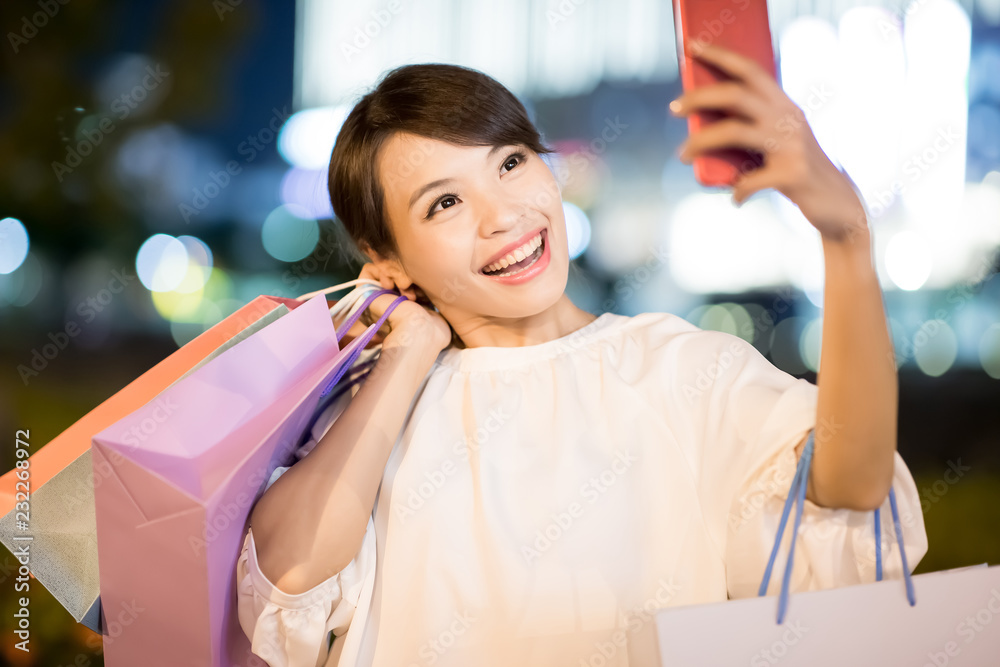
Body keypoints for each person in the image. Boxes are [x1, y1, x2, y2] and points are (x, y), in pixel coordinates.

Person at [235, 44, 928, 667]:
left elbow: (852, 492)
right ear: (383, 259)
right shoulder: (375, 415)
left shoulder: (683, 368)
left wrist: (845, 236)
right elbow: (286, 582)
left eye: (510, 163)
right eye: (444, 203)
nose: (503, 215)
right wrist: (410, 353)